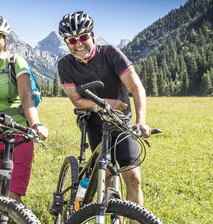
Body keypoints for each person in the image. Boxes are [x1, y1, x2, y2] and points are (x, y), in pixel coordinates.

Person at [57, 11, 151, 206]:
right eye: (72, 40)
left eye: (83, 37)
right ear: (67, 43)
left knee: (133, 178)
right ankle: (112, 215)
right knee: (106, 178)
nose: (79, 44)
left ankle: (130, 216)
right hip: (95, 124)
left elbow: (136, 87)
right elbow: (77, 100)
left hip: (121, 122)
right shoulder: (65, 65)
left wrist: (141, 121)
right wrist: (106, 103)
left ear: (91, 36)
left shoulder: (110, 54)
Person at [0, 13, 49, 204]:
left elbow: (26, 95)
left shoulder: (15, 62)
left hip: (18, 133)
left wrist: (36, 124)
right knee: (1, 191)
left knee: (14, 196)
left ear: (5, 41)